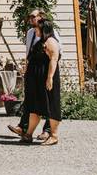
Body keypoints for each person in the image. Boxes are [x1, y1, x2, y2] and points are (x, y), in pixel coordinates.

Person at [8, 10, 61, 140]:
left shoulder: (51, 35)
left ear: (40, 17)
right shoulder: (31, 33)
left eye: (33, 16)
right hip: (33, 72)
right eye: (29, 16)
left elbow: (56, 55)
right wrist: (27, 69)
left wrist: (50, 76)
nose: (30, 19)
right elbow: (29, 53)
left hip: (44, 71)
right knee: (31, 102)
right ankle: (25, 129)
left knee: (48, 103)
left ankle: (48, 131)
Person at [21, 18, 62, 145]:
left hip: (45, 78)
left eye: (37, 28)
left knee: (51, 105)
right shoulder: (40, 42)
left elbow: (53, 60)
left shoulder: (51, 41)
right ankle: (28, 134)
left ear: (43, 28)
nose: (34, 29)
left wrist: (49, 78)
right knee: (34, 106)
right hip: (36, 79)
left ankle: (54, 135)